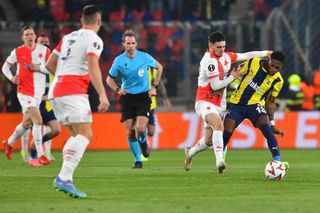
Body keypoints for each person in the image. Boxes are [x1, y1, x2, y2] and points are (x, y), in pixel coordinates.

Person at [184, 31, 272, 173]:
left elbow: (245, 55)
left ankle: (190, 153)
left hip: (220, 104)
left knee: (208, 141)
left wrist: (265, 53)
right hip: (204, 101)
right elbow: (215, 86)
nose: (222, 49)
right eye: (218, 47)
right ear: (210, 46)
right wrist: (233, 76)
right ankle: (220, 162)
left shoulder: (226, 57)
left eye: (223, 46)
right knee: (219, 126)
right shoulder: (209, 61)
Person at [46, 5, 109, 198]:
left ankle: (67, 179)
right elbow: (92, 65)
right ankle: (64, 178)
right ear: (98, 22)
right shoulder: (94, 39)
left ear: (82, 20)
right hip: (73, 91)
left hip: (56, 90)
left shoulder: (67, 37)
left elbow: (49, 64)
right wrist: (102, 94)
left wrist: (63, 77)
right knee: (86, 135)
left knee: (76, 136)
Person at [106, 29, 163, 169]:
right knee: (129, 131)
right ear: (123, 44)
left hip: (143, 96)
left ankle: (143, 143)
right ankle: (138, 160)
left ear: (136, 44)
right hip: (127, 98)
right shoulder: (119, 61)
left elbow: (159, 67)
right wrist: (118, 89)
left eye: (132, 43)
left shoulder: (144, 57)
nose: (130, 46)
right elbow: (109, 79)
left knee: (141, 128)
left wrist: (154, 86)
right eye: (127, 43)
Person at [223, 51, 289, 169]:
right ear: (269, 60)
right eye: (272, 65)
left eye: (277, 68)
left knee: (267, 130)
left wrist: (272, 123)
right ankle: (220, 160)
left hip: (256, 106)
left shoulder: (279, 81)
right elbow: (236, 74)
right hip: (237, 104)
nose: (274, 69)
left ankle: (278, 162)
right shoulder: (253, 62)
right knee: (226, 133)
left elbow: (270, 102)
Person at [1, 25, 51, 165]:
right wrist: (12, 78)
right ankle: (41, 155)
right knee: (38, 120)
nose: (29, 36)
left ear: (35, 36)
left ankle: (9, 142)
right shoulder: (17, 52)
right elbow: (5, 67)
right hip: (24, 93)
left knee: (26, 123)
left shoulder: (44, 51)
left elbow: (51, 69)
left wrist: (38, 68)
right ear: (23, 38)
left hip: (38, 94)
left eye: (31, 34)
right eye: (27, 35)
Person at [26, 34, 61, 166]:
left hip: (48, 103)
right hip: (35, 101)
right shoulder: (32, 61)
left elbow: (56, 78)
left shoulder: (51, 62)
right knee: (27, 127)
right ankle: (33, 156)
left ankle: (37, 145)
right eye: (41, 42)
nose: (44, 44)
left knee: (56, 130)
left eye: (46, 42)